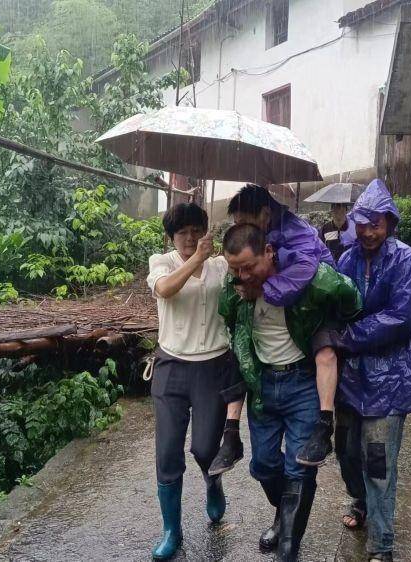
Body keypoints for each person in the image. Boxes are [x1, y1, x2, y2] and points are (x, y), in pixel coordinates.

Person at [218, 223, 361, 561]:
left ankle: (288, 549)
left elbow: (349, 297)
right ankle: (283, 517)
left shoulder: (301, 280)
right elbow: (235, 342)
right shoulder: (239, 290)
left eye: (249, 267)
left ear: (269, 252)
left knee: (300, 468)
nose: (243, 275)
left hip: (301, 384)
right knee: (264, 466)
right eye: (235, 269)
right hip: (263, 386)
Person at [329, 179, 411, 562]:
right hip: (351, 378)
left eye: (377, 224)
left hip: (390, 378)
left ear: (390, 223)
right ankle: (359, 502)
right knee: (345, 452)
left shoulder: (407, 261)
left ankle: (382, 545)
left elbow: (401, 318)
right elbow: (336, 302)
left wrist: (349, 335)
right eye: (363, 223)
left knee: (378, 461)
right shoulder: (347, 259)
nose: (369, 231)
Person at [209, 184, 340, 475]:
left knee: (325, 351)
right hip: (283, 305)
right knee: (239, 346)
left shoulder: (299, 235)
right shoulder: (264, 234)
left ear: (265, 214)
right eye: (235, 224)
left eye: (243, 222)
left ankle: (324, 424)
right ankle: (231, 434)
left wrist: (261, 290)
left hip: (316, 305)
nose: (239, 229)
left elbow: (300, 276)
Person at [144, 203, 245, 561]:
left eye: (196, 230)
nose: (189, 237)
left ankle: (213, 482)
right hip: (172, 366)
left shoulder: (221, 266)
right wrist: (194, 259)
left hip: (213, 366)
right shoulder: (162, 262)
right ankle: (172, 530)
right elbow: (166, 290)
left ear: (206, 231)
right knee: (168, 452)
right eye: (182, 231)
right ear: (172, 236)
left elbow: (243, 291)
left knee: (205, 448)